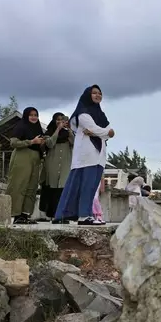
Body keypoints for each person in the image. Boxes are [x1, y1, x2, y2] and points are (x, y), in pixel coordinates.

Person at [55, 85, 114, 225]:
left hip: (98, 155)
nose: (98, 95)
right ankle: (83, 215)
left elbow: (109, 131)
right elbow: (99, 130)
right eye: (94, 93)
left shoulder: (101, 115)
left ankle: (65, 215)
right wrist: (102, 133)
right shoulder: (82, 113)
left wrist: (101, 133)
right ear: (88, 95)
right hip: (86, 155)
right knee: (83, 185)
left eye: (100, 93)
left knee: (91, 186)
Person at [5, 107, 45, 224]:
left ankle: (25, 215)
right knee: (19, 185)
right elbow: (13, 143)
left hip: (35, 159)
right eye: (31, 115)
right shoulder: (21, 126)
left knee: (31, 187)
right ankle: (16, 215)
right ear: (26, 116)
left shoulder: (38, 128)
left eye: (36, 115)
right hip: (22, 157)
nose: (34, 117)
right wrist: (31, 142)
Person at [39, 112, 74, 223]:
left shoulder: (68, 133)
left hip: (65, 164)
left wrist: (69, 129)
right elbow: (50, 143)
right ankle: (52, 214)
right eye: (58, 120)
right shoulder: (49, 132)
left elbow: (74, 142)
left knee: (62, 189)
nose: (60, 122)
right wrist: (57, 129)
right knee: (52, 189)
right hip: (52, 164)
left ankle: (61, 215)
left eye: (62, 120)